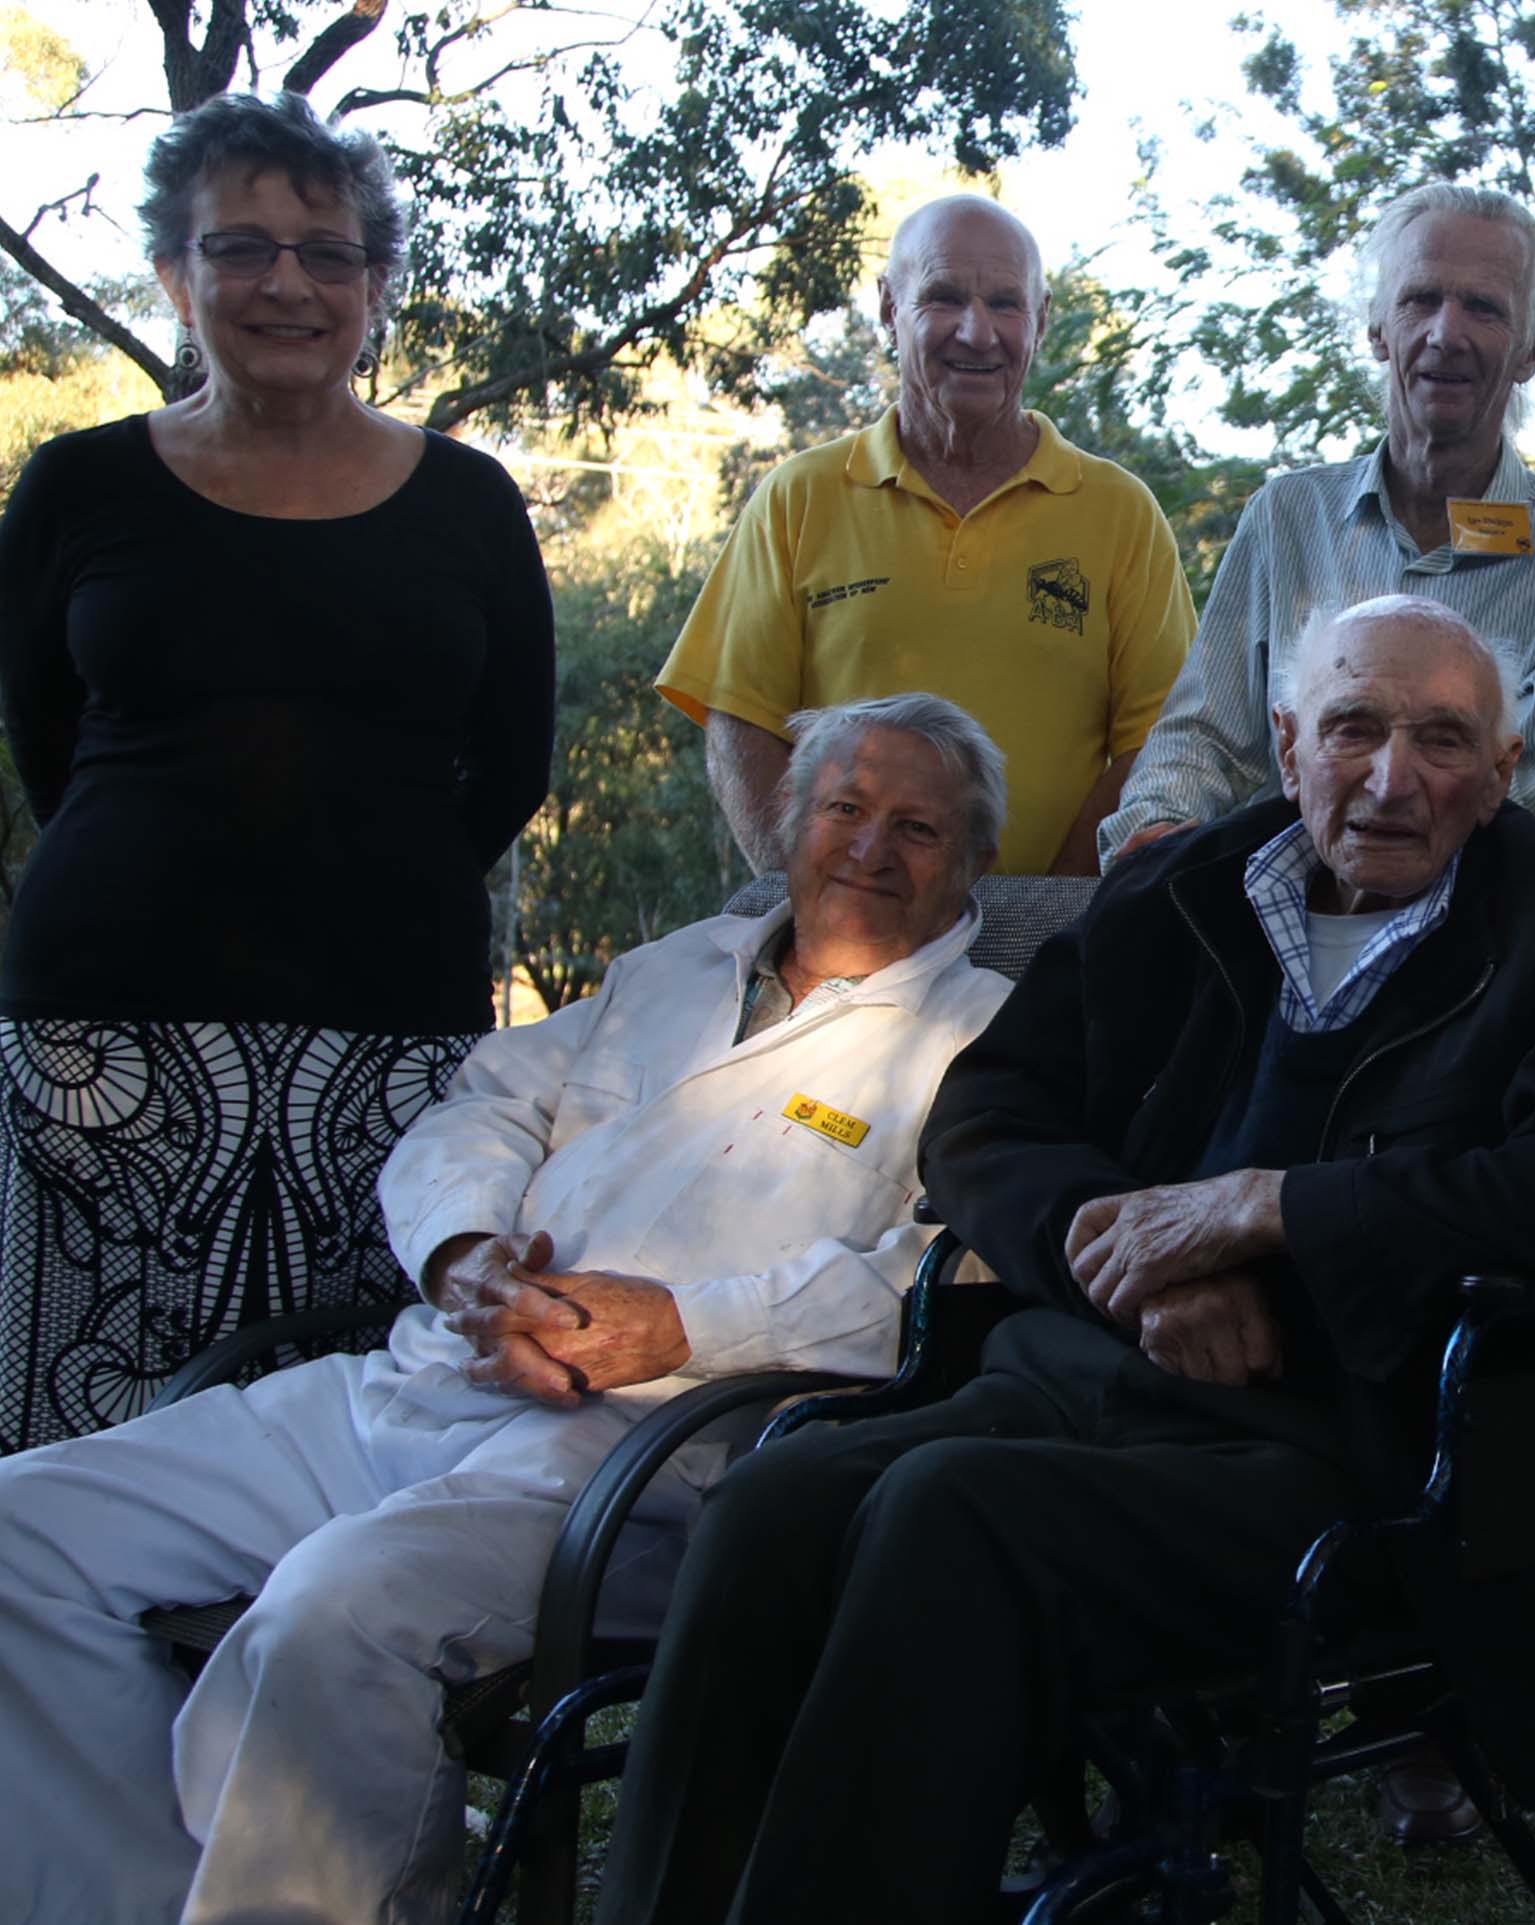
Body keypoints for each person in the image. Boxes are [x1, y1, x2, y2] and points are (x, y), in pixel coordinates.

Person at [592, 596, 1535, 1925]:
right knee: (775, 1505)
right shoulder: (1182, 890)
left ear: (1506, 773)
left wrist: (1278, 1210)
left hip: (1351, 1443)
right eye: (1353, 727)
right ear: (1287, 744)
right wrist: (1127, 1255)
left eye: (1443, 740)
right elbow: (985, 1117)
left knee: (952, 1510)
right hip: (1085, 1371)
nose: (1392, 777)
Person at [0, 694, 1014, 1925]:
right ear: (786, 826)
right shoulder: (670, 968)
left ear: (973, 861)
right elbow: (479, 1106)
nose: (869, 847)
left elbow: (947, 1273)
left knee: (333, 1613)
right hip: (427, 1377)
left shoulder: (988, 1041)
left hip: (647, 1458)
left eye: (915, 826)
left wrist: (686, 1324)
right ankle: (142, 1896)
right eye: (844, 808)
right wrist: (464, 1252)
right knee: (20, 1529)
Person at [0, 92, 554, 1453]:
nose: (288, 282)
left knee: (352, 1447)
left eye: (328, 251)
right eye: (240, 247)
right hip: (102, 1043)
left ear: (375, 286)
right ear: (175, 276)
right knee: (70, 1459)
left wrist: (365, 869)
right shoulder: (77, 489)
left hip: (387, 1044)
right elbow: (42, 739)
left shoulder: (470, 500)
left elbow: (512, 763)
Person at [1097, 182, 1535, 866]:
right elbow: (1203, 734)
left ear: (1533, 349)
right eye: (1421, 299)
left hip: (1469, 943)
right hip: (1264, 925)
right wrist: (1159, 830)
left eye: (1483, 307)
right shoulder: (1287, 517)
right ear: (1378, 327)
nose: (1446, 334)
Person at [658, 193, 1195, 877]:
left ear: (1042, 320)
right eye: (943, 297)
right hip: (846, 953)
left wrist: (1052, 924)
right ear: (888, 308)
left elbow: (1157, 744)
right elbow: (741, 720)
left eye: (1006, 304)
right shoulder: (800, 498)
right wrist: (815, 895)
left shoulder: (1121, 513)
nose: (977, 333)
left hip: (1050, 955)